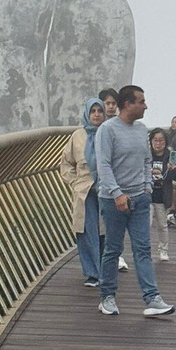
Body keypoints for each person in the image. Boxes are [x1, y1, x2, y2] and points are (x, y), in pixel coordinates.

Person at [94, 85, 175, 317]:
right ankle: (107, 297)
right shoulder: (107, 130)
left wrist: (147, 188)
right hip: (113, 200)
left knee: (143, 248)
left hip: (140, 199)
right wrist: (117, 193)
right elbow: (104, 165)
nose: (145, 106)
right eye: (141, 101)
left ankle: (152, 299)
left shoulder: (141, 130)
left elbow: (147, 161)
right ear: (127, 104)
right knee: (113, 248)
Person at [59, 98, 105, 286]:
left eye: (99, 110)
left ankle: (105, 269)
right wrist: (75, 182)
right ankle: (92, 273)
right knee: (86, 231)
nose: (96, 114)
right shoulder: (77, 136)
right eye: (92, 110)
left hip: (105, 190)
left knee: (105, 231)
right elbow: (66, 163)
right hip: (84, 190)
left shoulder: (109, 133)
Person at [99, 86, 130, 273]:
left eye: (113, 103)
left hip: (118, 185)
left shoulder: (122, 127)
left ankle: (116, 256)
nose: (110, 107)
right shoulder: (96, 128)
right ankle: (105, 258)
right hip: (96, 186)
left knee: (114, 224)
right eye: (107, 104)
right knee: (100, 225)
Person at [149, 127, 176, 262]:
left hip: (162, 196)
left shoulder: (170, 156)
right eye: (155, 140)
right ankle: (145, 250)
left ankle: (163, 250)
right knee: (146, 225)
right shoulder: (146, 155)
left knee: (162, 225)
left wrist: (174, 169)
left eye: (161, 140)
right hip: (148, 195)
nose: (158, 143)